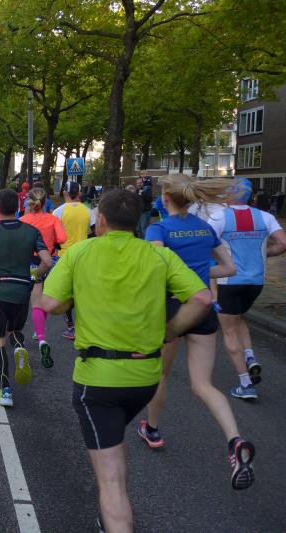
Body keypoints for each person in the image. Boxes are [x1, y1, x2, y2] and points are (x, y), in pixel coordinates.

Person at [41, 189, 213, 533]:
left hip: (97, 382)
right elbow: (202, 298)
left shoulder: (80, 252)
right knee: (113, 448)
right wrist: (169, 331)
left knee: (111, 479)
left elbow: (51, 304)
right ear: (137, 222)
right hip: (145, 377)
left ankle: (115, 519)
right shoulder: (159, 255)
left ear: (101, 220)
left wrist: (75, 297)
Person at [137, 174, 255, 490]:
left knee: (160, 375)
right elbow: (229, 269)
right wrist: (198, 271)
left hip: (172, 307)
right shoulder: (205, 229)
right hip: (203, 307)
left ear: (165, 199)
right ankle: (235, 441)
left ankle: (152, 429)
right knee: (203, 384)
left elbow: (156, 269)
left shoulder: (158, 229)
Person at [0, 188, 52, 407]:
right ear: (18, 207)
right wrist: (35, 275)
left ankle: (6, 390)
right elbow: (47, 261)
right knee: (15, 330)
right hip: (22, 291)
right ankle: (18, 347)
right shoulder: (32, 231)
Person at [209, 177, 286, 399]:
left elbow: (205, 243)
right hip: (256, 283)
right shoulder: (265, 216)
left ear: (229, 194)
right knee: (238, 318)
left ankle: (245, 385)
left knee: (229, 330)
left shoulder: (219, 217)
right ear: (250, 195)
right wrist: (265, 253)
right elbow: (283, 243)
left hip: (229, 281)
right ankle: (250, 356)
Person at [20, 187, 67, 367]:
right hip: (51, 261)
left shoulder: (23, 220)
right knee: (45, 298)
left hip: (32, 262)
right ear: (46, 201)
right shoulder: (53, 219)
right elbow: (62, 238)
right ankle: (38, 329)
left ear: (29, 202)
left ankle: (41, 339)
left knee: (36, 301)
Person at [53, 182, 95, 340]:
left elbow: (54, 236)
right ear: (78, 193)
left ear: (65, 193)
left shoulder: (58, 212)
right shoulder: (88, 211)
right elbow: (96, 232)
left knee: (66, 294)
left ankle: (71, 327)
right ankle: (83, 326)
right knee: (82, 292)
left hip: (64, 257)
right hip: (83, 257)